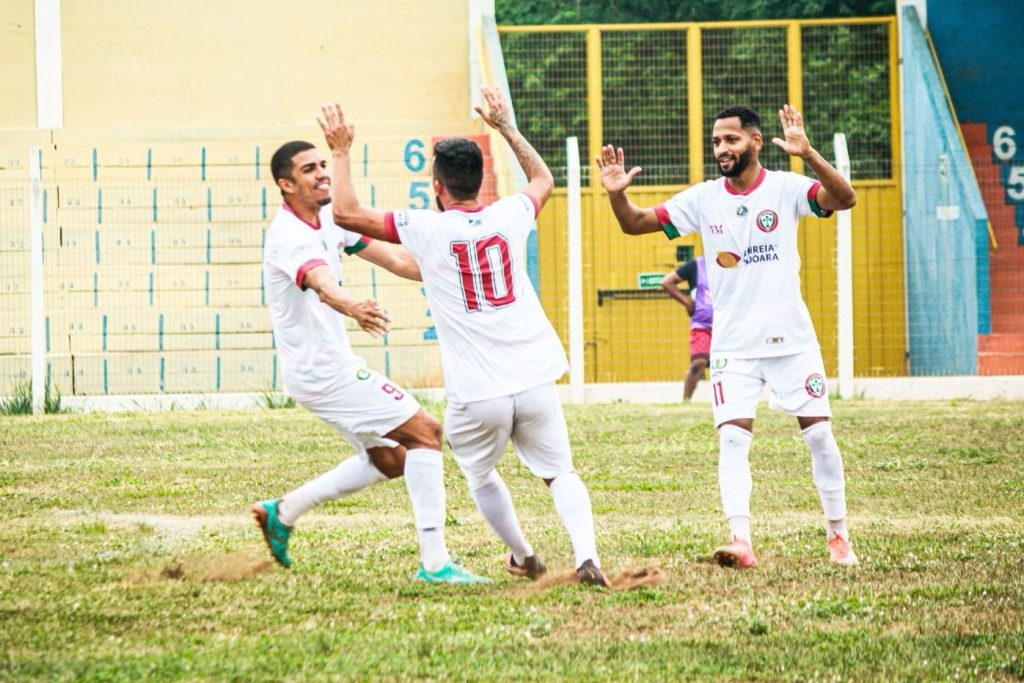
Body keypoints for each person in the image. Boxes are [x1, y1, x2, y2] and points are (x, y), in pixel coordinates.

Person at [316, 86, 610, 587]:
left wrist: (341, 152)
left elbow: (344, 213)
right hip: (533, 376)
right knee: (561, 473)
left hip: (479, 391)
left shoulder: (426, 227)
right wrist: (507, 128)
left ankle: (523, 557)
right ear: (480, 182)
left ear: (437, 186)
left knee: (479, 474)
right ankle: (588, 558)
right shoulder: (510, 214)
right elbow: (543, 178)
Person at [597, 104, 860, 568]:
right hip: (733, 347)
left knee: (819, 437)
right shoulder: (703, 198)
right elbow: (634, 223)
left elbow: (844, 199)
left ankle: (838, 536)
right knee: (733, 441)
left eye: (731, 140)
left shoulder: (785, 188)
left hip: (791, 342)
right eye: (717, 141)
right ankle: (740, 540)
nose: (722, 149)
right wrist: (618, 195)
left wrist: (810, 154)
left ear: (755, 142)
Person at [252, 140, 488, 585]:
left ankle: (281, 513)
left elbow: (399, 259)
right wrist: (354, 306)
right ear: (286, 185)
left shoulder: (327, 221)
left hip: (327, 368)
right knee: (426, 432)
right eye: (309, 169)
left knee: (392, 458)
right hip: (324, 374)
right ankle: (436, 565)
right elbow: (323, 284)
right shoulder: (289, 236)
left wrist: (456, 262)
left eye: (324, 164)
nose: (323, 173)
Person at [661, 256, 713, 401]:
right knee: (698, 363)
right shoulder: (696, 265)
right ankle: (686, 401)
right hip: (702, 325)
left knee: (730, 365)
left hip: (728, 325)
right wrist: (687, 303)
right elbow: (667, 282)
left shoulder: (733, 262)